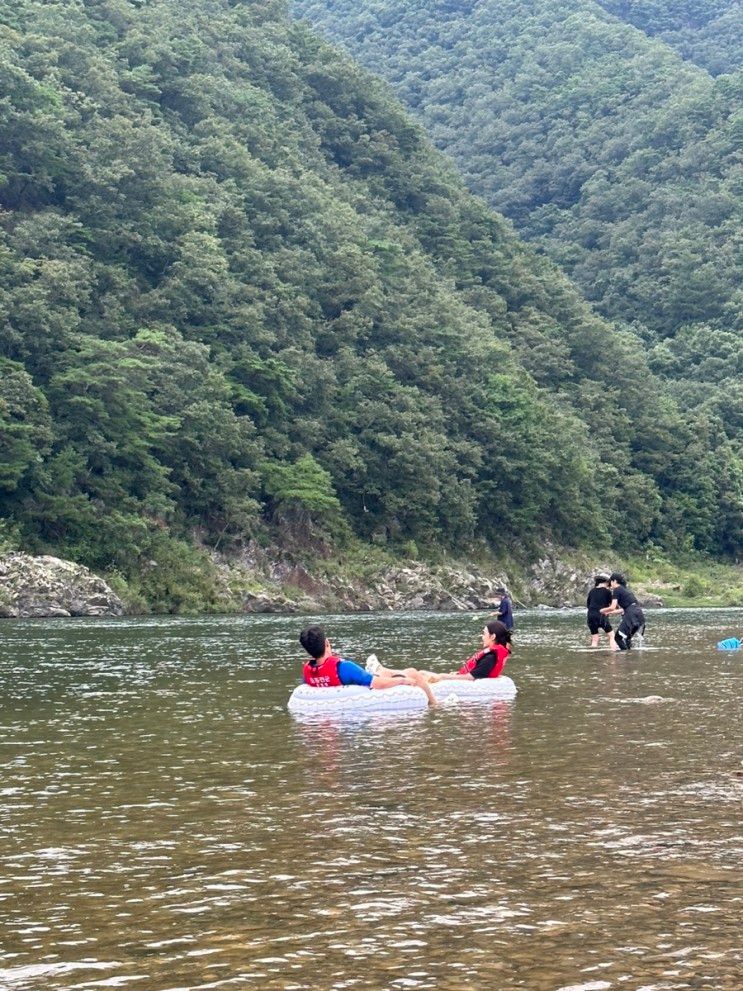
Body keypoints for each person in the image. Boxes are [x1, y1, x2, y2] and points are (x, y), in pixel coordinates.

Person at [299, 625, 436, 706]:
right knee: (412, 672)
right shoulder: (344, 667)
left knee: (385, 673)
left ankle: (380, 669)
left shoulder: (307, 672)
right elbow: (376, 683)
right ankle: (435, 706)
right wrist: (402, 680)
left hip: (348, 686)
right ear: (327, 643)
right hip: (363, 686)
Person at [367, 621, 512, 683]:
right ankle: (383, 672)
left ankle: (382, 672)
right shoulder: (491, 654)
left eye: (484, 633)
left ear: (492, 637)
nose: (482, 636)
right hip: (460, 679)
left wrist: (443, 676)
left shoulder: (491, 657)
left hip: (462, 682)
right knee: (421, 672)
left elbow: (472, 677)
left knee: (418, 673)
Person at [601, 573, 646, 651]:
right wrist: (609, 613)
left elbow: (612, 607)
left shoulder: (617, 589)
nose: (610, 584)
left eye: (611, 581)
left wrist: (602, 610)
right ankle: (629, 654)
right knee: (627, 638)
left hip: (631, 614)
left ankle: (625, 654)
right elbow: (624, 609)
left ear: (614, 581)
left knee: (617, 638)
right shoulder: (625, 590)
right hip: (638, 613)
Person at [586, 574, 615, 648]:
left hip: (590, 616)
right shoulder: (607, 592)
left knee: (595, 639)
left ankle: (593, 655)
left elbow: (588, 605)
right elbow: (612, 605)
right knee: (611, 636)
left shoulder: (591, 591)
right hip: (601, 616)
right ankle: (613, 653)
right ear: (606, 582)